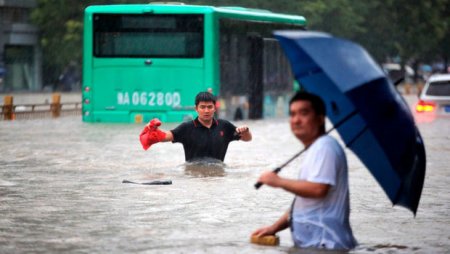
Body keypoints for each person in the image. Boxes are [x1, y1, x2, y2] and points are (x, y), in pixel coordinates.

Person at [251, 91, 357, 250]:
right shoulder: (315, 149)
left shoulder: (325, 147)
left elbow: (318, 189)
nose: (296, 120)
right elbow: (304, 204)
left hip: (326, 246)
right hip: (312, 247)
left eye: (304, 113)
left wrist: (278, 182)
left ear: (320, 119)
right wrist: (274, 228)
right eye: (292, 114)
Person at [139, 91, 252, 162]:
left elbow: (247, 139)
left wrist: (246, 131)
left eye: (209, 107)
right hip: (193, 177)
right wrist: (151, 129)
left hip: (218, 177)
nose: (206, 110)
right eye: (202, 107)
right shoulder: (186, 128)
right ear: (196, 109)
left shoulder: (224, 126)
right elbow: (165, 136)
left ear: (214, 108)